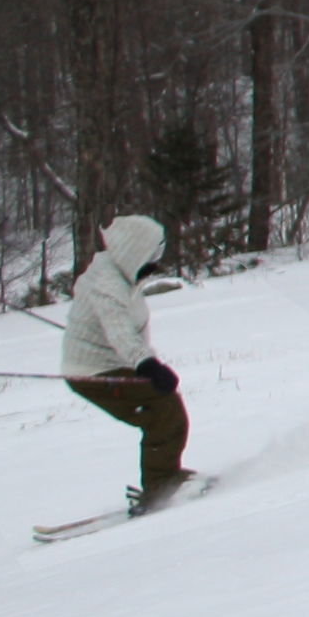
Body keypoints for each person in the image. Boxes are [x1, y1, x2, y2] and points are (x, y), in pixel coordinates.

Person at [57, 211, 192, 511]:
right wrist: (148, 365)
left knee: (164, 409)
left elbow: (118, 327)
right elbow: (119, 330)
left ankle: (166, 477)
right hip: (94, 373)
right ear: (135, 252)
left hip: (113, 362)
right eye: (152, 256)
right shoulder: (107, 284)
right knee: (162, 408)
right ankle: (161, 485)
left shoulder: (119, 272)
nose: (155, 264)